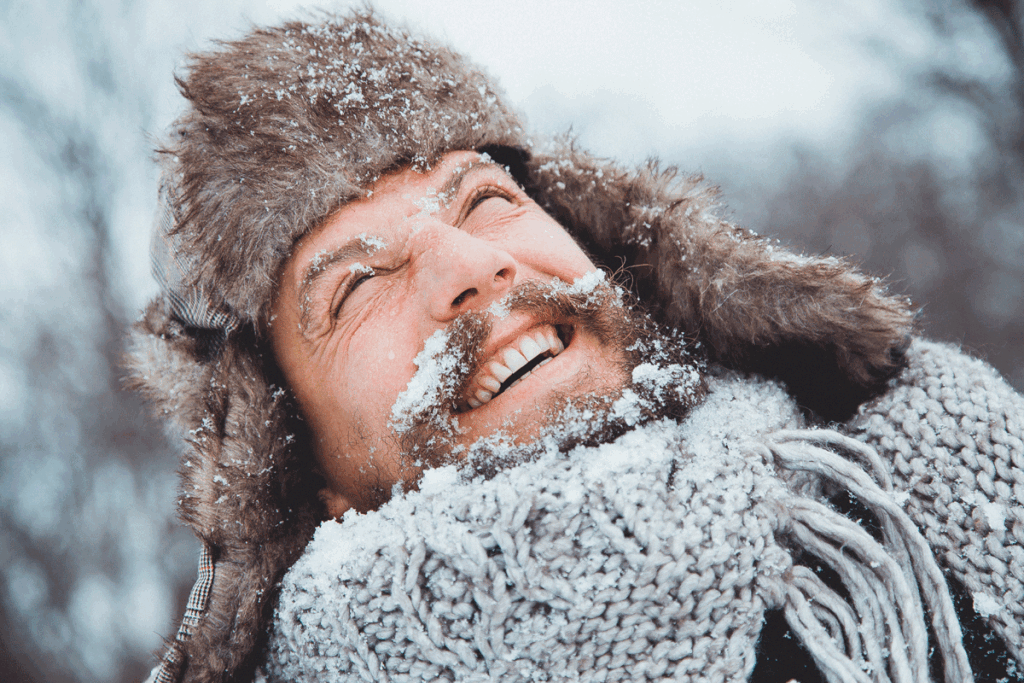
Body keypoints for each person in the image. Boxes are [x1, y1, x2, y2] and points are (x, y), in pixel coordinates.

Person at [130, 10, 1024, 683]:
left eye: (484, 199)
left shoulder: (918, 489)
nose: (475, 266)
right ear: (293, 461)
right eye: (357, 286)